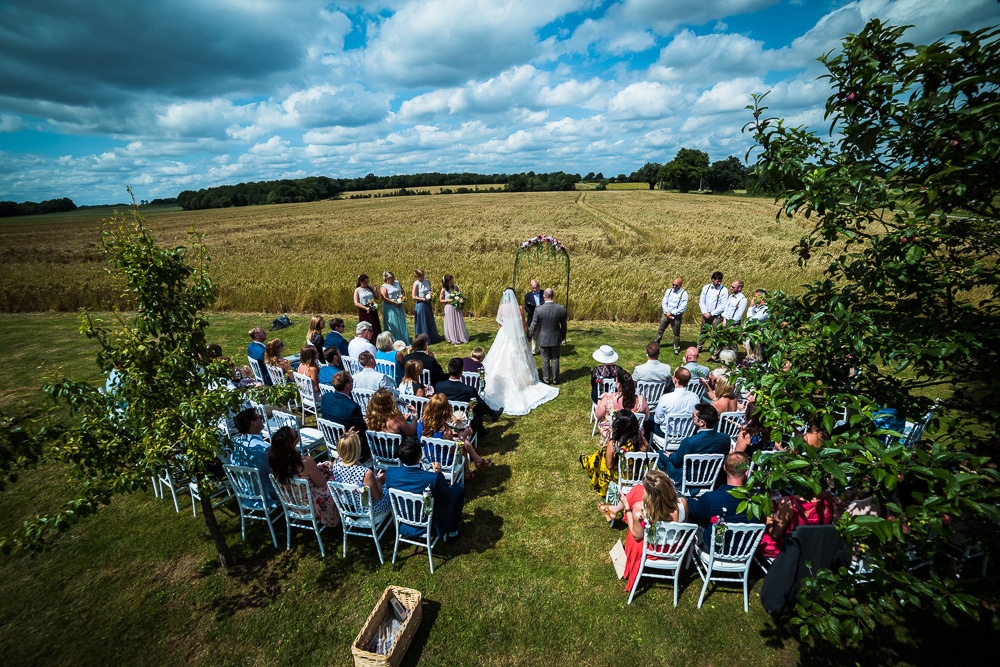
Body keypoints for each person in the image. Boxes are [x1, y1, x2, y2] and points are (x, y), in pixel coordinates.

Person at [482, 288, 559, 416]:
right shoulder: (519, 308)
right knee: (519, 357)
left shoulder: (501, 308)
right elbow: (523, 324)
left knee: (500, 356)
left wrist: (504, 329)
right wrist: (527, 335)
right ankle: (523, 382)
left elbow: (499, 323)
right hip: (516, 335)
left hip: (504, 334)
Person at [617, 470, 688, 593]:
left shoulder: (640, 508)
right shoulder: (682, 503)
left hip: (652, 549)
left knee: (633, 534)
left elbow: (637, 536)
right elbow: (683, 527)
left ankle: (630, 563)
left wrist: (627, 507)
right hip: (673, 548)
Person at [383, 435, 465, 542]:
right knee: (459, 487)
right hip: (431, 524)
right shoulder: (433, 478)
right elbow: (446, 498)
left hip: (404, 521)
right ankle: (452, 532)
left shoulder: (390, 474)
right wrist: (440, 474)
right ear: (419, 455)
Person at [268, 426, 339, 527]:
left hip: (292, 501)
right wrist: (332, 467)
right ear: (291, 444)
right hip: (310, 503)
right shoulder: (305, 463)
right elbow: (321, 483)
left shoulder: (274, 463)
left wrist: (316, 467)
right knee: (334, 476)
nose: (298, 431)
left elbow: (295, 475)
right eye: (296, 434)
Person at [657, 403, 732, 487]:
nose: (691, 417)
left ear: (702, 423)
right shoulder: (725, 438)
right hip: (712, 475)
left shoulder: (689, 442)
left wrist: (671, 455)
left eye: (693, 416)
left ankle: (670, 483)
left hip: (690, 477)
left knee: (660, 453)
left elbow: (677, 461)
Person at [418, 392, 491, 478]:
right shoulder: (446, 432)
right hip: (444, 462)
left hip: (428, 457)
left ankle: (474, 464)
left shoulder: (421, 422)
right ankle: (472, 468)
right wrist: (463, 435)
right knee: (462, 446)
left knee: (462, 441)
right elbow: (452, 451)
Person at [686, 451, 751, 546]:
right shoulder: (756, 500)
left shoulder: (711, 498)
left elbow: (694, 512)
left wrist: (689, 500)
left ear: (724, 468)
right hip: (744, 550)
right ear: (746, 471)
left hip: (715, 550)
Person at [581, 409, 647, 499]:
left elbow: (609, 466)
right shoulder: (639, 442)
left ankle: (588, 462)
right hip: (636, 475)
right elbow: (645, 450)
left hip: (620, 477)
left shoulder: (614, 445)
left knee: (603, 453)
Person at [758, 491, 845, 558]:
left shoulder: (788, 502)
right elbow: (838, 521)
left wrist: (767, 517)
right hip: (817, 546)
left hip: (791, 549)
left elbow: (776, 534)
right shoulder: (828, 498)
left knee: (759, 538)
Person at [436, 357, 502, 437]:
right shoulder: (469, 390)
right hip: (462, 420)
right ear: (461, 371)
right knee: (477, 406)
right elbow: (479, 408)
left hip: (445, 418)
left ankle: (491, 415)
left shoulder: (439, 386)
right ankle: (490, 417)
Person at [331, 432, 390, 518]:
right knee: (392, 487)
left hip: (348, 506)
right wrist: (379, 482)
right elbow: (378, 497)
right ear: (357, 449)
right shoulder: (366, 473)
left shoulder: (336, 464)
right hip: (366, 509)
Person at [319, 371, 369, 460]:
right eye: (351, 381)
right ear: (347, 386)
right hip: (349, 446)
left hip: (331, 439)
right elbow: (361, 431)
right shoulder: (353, 407)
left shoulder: (326, 397)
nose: (353, 382)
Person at [231, 407, 275, 504]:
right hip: (266, 493)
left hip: (247, 491)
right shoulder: (264, 449)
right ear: (253, 423)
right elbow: (277, 471)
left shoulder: (235, 444)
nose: (262, 418)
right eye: (259, 417)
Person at [594, 368, 650, 443]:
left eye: (616, 381)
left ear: (619, 385)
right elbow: (646, 418)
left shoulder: (608, 399)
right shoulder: (641, 401)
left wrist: (600, 399)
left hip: (614, 435)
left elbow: (598, 416)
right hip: (633, 435)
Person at [528, 288, 568, 384]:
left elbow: (534, 325)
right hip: (556, 337)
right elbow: (564, 325)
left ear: (544, 296)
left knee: (545, 359)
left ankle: (546, 379)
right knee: (555, 359)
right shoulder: (560, 308)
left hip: (543, 337)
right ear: (553, 296)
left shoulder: (539, 309)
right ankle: (555, 379)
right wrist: (563, 336)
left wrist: (529, 336)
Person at [652, 368, 701, 438]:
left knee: (648, 421)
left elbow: (658, 420)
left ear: (675, 380)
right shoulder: (695, 397)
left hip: (667, 434)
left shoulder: (666, 398)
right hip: (687, 433)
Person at [710, 279, 747, 362]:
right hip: (725, 321)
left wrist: (729, 323)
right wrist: (724, 319)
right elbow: (726, 309)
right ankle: (719, 356)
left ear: (740, 288)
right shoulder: (731, 296)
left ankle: (734, 359)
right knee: (722, 339)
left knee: (732, 343)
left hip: (734, 324)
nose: (731, 288)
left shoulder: (742, 300)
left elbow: (738, 315)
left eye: (733, 287)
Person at [656, 278, 689, 355]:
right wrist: (667, 312)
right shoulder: (669, 291)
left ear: (680, 285)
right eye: (673, 284)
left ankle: (676, 347)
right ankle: (656, 344)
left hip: (676, 316)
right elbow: (664, 302)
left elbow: (682, 307)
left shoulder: (684, 294)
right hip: (666, 314)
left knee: (676, 333)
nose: (674, 286)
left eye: (676, 285)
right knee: (660, 330)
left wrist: (672, 313)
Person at [698, 271, 728, 352]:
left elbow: (723, 304)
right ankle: (699, 347)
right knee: (703, 331)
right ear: (712, 279)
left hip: (716, 316)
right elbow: (702, 301)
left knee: (716, 333)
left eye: (720, 281)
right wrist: (704, 312)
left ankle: (716, 350)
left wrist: (712, 313)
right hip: (706, 314)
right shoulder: (706, 287)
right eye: (717, 281)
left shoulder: (724, 290)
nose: (719, 283)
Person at [380, 270, 410, 345]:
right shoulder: (384, 286)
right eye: (391, 278)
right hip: (390, 307)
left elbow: (402, 291)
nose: (393, 280)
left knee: (400, 321)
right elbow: (384, 298)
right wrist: (394, 302)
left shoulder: (397, 283)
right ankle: (394, 340)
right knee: (393, 322)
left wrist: (401, 298)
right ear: (386, 279)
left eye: (393, 278)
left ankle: (403, 338)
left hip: (399, 305)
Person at [411, 268, 440, 344]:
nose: (422, 277)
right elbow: (413, 296)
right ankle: (422, 339)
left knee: (429, 319)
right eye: (421, 276)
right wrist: (423, 299)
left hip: (428, 303)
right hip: (421, 304)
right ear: (417, 276)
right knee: (422, 320)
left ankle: (431, 336)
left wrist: (430, 295)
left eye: (423, 275)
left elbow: (429, 290)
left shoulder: (427, 281)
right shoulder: (416, 284)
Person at [440, 274, 469, 344]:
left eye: (452, 281)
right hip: (448, 307)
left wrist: (459, 300)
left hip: (456, 307)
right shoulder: (443, 290)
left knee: (457, 321)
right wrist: (449, 300)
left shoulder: (455, 287)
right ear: (446, 283)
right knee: (451, 322)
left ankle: (460, 336)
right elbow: (441, 300)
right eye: (450, 281)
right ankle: (452, 337)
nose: (452, 282)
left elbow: (459, 295)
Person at [744, 289, 769, 357]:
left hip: (759, 335)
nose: (753, 299)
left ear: (761, 298)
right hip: (752, 333)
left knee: (757, 354)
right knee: (749, 352)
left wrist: (750, 307)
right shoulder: (756, 306)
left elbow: (751, 320)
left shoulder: (766, 310)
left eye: (755, 297)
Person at [524, 279, 543, 354]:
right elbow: (526, 307)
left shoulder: (543, 293)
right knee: (534, 333)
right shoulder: (528, 295)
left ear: (538, 286)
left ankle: (543, 349)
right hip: (532, 316)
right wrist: (533, 310)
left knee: (542, 333)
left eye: (535, 288)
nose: (534, 289)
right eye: (533, 288)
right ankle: (534, 350)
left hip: (542, 316)